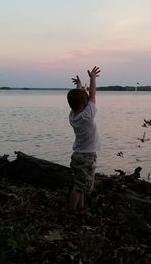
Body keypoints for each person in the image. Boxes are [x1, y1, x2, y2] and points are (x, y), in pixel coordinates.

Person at [66, 66, 101, 211]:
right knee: (79, 187)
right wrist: (92, 78)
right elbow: (92, 94)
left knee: (81, 184)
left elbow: (80, 98)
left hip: (78, 155)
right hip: (87, 157)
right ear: (84, 103)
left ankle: (81, 207)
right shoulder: (87, 116)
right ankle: (70, 211)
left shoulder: (73, 115)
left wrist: (79, 85)